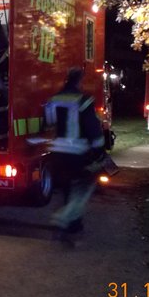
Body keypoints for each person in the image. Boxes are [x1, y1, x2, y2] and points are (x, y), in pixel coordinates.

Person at [45, 67, 106, 242]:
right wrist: (99, 149)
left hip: (57, 152)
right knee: (83, 187)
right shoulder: (84, 100)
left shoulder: (53, 100)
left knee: (66, 188)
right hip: (77, 152)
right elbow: (92, 128)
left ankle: (74, 224)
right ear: (79, 81)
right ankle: (63, 219)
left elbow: (48, 123)